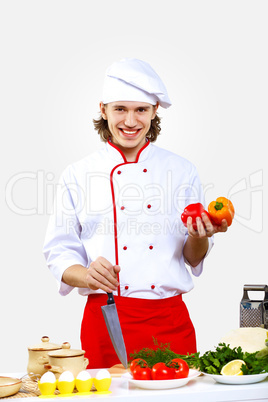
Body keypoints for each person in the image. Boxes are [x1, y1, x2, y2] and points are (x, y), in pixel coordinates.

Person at [43, 58, 228, 369]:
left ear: (154, 111)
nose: (130, 121)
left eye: (140, 110)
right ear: (103, 109)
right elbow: (57, 252)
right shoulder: (78, 173)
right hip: (106, 318)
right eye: (120, 109)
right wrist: (87, 274)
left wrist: (199, 237)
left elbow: (193, 258)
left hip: (170, 322)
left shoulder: (181, 170)